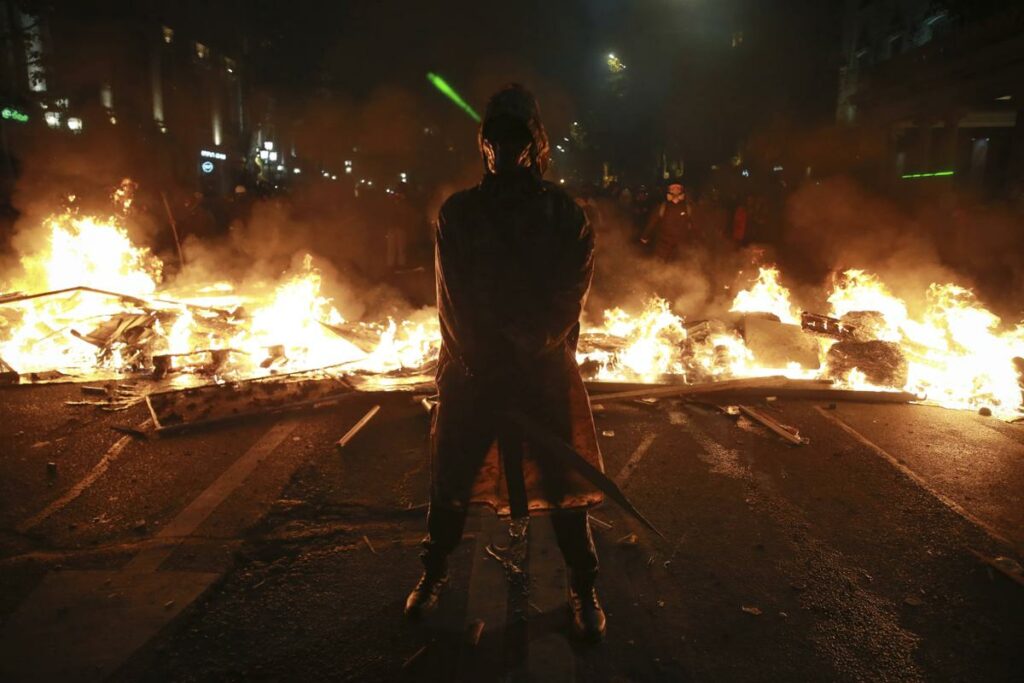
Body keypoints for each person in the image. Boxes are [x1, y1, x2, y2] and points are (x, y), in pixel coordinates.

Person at [406, 84, 607, 641]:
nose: (503, 147)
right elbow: (454, 300)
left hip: (542, 372)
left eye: (516, 137)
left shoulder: (565, 215)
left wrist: (527, 347)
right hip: (473, 374)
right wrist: (480, 363)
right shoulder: (459, 213)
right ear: (482, 144)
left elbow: (570, 294)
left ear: (536, 144)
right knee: (451, 480)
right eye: (494, 137)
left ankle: (584, 585)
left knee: (567, 489)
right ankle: (433, 572)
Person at [640, 182, 696, 259]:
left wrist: (697, 241)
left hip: (682, 248)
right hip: (663, 248)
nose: (675, 190)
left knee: (682, 268)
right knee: (662, 269)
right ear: (668, 191)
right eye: (673, 188)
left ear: (682, 191)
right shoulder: (662, 208)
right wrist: (645, 236)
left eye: (678, 188)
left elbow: (695, 226)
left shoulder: (688, 208)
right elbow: (652, 223)